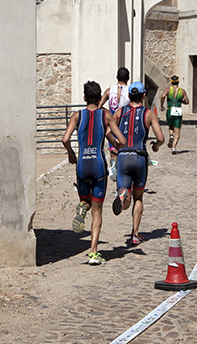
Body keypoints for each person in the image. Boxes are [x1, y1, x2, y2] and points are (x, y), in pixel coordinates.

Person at [62, 81, 126, 265]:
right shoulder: (105, 116)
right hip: (98, 166)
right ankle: (93, 252)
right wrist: (112, 140)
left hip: (82, 165)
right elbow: (121, 141)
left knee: (85, 201)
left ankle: (82, 207)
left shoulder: (77, 115)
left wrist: (71, 152)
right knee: (97, 211)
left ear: (84, 98)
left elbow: (65, 138)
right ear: (100, 99)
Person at [112, 81, 165, 245]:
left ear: (128, 96)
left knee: (125, 192)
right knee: (139, 197)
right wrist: (156, 146)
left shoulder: (119, 112)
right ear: (143, 95)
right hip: (139, 157)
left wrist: (114, 151)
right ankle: (135, 234)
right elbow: (161, 138)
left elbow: (111, 135)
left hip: (123, 157)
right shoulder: (149, 114)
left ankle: (123, 195)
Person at [100, 67, 130, 180]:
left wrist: (107, 113)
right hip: (125, 124)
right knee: (125, 151)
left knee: (114, 151)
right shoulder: (129, 91)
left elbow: (99, 106)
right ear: (128, 78)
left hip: (112, 126)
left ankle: (113, 163)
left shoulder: (109, 90)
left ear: (117, 77)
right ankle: (124, 175)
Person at [160, 75, 189, 153]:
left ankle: (171, 136)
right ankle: (173, 147)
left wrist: (162, 105)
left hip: (170, 110)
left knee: (170, 126)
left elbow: (162, 96)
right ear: (178, 82)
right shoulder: (182, 91)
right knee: (177, 131)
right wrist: (181, 101)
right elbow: (187, 101)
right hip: (178, 111)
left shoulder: (168, 90)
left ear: (171, 82)